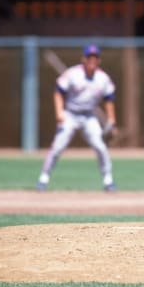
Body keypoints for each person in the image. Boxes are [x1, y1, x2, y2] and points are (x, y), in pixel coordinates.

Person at [36, 45, 118, 192]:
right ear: (83, 59)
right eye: (89, 57)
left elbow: (109, 99)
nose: (92, 60)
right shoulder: (73, 74)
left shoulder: (103, 78)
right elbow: (58, 92)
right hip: (70, 114)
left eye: (95, 58)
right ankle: (43, 178)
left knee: (100, 147)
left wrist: (111, 120)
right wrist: (59, 112)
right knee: (57, 148)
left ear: (99, 60)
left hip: (89, 116)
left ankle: (108, 180)